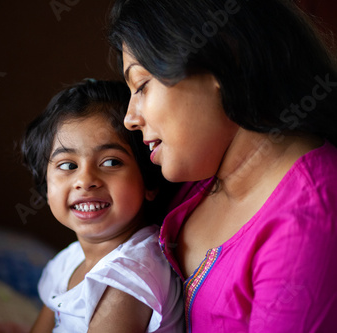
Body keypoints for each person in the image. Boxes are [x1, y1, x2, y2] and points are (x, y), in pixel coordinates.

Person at [108, 0, 337, 332]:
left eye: (142, 85)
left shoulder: (309, 219)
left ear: (223, 59)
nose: (130, 119)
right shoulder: (202, 170)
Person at [20, 79, 184, 333]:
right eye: (67, 165)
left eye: (110, 162)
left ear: (149, 182)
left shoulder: (130, 273)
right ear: (45, 183)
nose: (85, 181)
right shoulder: (67, 262)